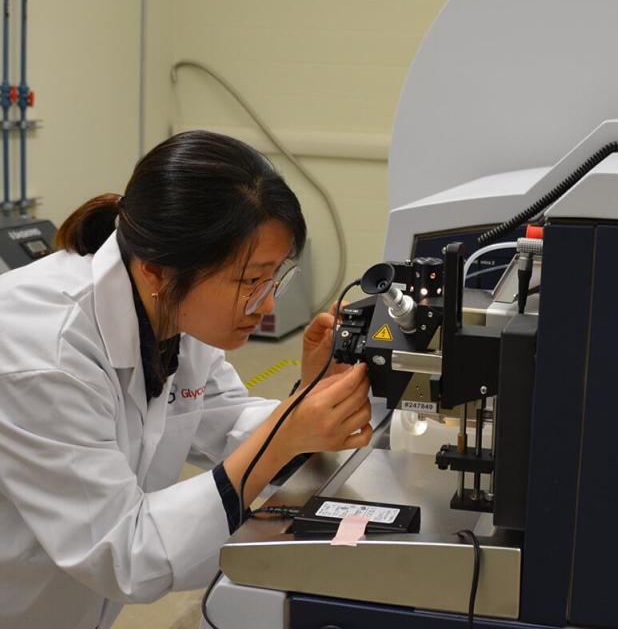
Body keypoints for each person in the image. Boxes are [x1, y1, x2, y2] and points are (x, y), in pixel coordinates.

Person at [0, 130, 372, 629]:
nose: (266, 304)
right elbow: (127, 553)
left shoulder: (170, 310)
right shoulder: (44, 352)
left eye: (274, 277)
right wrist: (284, 434)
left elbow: (224, 421)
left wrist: (311, 395)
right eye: (249, 281)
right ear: (158, 269)